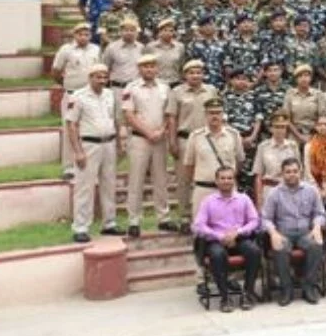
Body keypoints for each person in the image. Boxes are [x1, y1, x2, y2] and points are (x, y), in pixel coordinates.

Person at [65, 63, 122, 242]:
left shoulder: (110, 95)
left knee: (109, 185)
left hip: (109, 143)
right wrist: (78, 151)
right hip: (89, 144)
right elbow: (71, 125)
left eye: (105, 77)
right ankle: (80, 227)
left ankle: (109, 223)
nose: (102, 80)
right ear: (90, 78)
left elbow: (114, 120)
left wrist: (119, 144)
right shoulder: (78, 96)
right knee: (85, 186)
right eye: (98, 77)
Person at [192, 166, 261, 313]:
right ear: (216, 181)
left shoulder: (243, 199)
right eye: (222, 178)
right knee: (217, 254)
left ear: (234, 180)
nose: (226, 181)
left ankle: (248, 293)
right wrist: (219, 236)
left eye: (229, 178)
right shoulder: (208, 201)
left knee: (254, 251)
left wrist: (238, 232)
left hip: (239, 238)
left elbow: (254, 221)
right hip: (217, 240)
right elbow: (199, 225)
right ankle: (225, 297)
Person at [121, 54, 175, 236]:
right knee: (136, 179)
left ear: (157, 68)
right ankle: (134, 220)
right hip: (139, 139)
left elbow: (169, 113)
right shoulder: (131, 88)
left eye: (152, 66)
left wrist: (161, 131)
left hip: (160, 139)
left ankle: (164, 218)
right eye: (145, 66)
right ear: (139, 69)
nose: (149, 69)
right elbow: (129, 115)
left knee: (161, 179)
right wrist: (148, 132)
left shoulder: (165, 87)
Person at [262, 158, 326, 305]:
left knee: (316, 245)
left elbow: (320, 213)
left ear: (300, 172)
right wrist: (273, 233)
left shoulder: (311, 190)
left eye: (295, 171)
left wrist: (317, 227)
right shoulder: (274, 193)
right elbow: (265, 218)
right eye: (288, 172)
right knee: (280, 248)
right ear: (282, 174)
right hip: (283, 232)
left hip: (306, 232)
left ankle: (308, 287)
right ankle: (286, 289)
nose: (292, 174)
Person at [166, 60, 221, 232]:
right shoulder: (176, 92)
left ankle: (210, 215)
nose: (195, 76)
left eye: (198, 72)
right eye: (191, 73)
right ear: (185, 75)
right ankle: (184, 215)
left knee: (207, 177)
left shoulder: (210, 90)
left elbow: (217, 114)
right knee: (184, 179)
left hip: (206, 139)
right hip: (185, 138)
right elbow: (172, 118)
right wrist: (172, 141)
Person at [52, 22, 101, 180]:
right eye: (80, 34)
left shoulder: (96, 49)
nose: (83, 37)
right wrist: (66, 85)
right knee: (69, 130)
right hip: (72, 95)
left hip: (91, 96)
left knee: (90, 129)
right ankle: (69, 167)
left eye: (87, 34)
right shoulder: (66, 50)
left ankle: (90, 164)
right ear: (75, 35)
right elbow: (56, 71)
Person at [184, 98, 245, 219]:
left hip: (227, 190)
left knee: (229, 224)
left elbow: (239, 161)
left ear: (223, 114)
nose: (215, 116)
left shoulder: (233, 135)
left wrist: (227, 180)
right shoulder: (196, 136)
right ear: (205, 115)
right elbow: (189, 165)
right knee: (201, 226)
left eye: (218, 112)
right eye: (211, 113)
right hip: (203, 189)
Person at [252, 114, 302, 208]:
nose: (280, 130)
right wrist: (259, 200)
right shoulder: (263, 147)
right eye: (277, 127)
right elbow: (258, 175)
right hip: (269, 190)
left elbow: (299, 173)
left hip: (289, 191)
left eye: (283, 127)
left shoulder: (293, 146)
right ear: (271, 128)